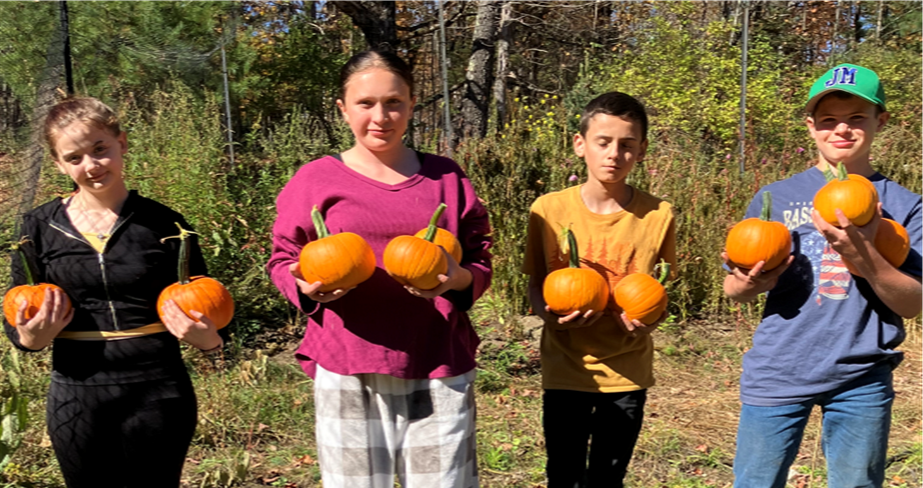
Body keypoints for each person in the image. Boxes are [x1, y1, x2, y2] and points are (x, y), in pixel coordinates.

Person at [267, 49, 491, 488]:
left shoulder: (446, 178)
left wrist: (459, 279)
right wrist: (304, 288)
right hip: (348, 361)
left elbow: (479, 255)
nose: (381, 116)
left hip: (436, 361)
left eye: (394, 102)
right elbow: (282, 258)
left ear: (411, 104)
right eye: (366, 103)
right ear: (343, 108)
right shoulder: (315, 179)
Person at [3, 97, 227, 487]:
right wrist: (28, 337)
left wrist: (207, 339)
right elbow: (15, 316)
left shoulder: (167, 223)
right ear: (59, 164)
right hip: (76, 392)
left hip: (158, 389)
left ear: (121, 143)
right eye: (74, 158)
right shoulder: (37, 227)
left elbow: (211, 307)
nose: (90, 165)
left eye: (99, 149)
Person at [723, 64, 923, 487]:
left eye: (856, 118)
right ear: (811, 126)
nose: (842, 130)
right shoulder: (775, 198)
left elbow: (913, 302)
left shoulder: (906, 206)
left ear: (879, 122)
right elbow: (734, 288)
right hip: (779, 370)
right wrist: (748, 284)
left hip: (861, 376)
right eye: (829, 120)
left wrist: (864, 253)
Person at [522, 92, 676, 488]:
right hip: (565, 368)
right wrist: (548, 315)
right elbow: (535, 283)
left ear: (642, 150)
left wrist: (649, 323)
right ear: (580, 144)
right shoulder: (547, 211)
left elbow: (659, 291)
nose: (614, 154)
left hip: (627, 369)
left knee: (608, 478)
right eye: (603, 142)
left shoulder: (658, 214)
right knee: (563, 475)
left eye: (627, 145)